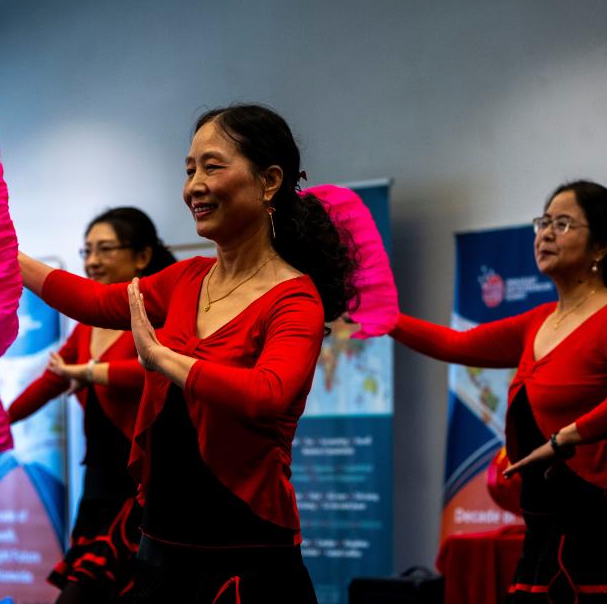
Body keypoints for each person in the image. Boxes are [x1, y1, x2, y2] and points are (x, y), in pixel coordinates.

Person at [19, 104, 356, 603]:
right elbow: (93, 300)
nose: (193, 185)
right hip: (159, 555)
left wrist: (162, 360)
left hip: (243, 562)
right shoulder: (185, 278)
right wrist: (5, 253)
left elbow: (269, 393)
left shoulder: (294, 297)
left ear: (269, 181)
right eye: (189, 169)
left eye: (212, 166)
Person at [390, 180, 607, 602]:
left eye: (563, 224)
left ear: (600, 247)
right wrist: (385, 318)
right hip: (547, 523)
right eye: (544, 222)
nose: (546, 233)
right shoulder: (538, 320)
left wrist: (567, 438)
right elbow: (457, 344)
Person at [8, 207, 175, 603]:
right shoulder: (87, 325)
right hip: (97, 481)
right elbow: (52, 380)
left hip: (140, 483)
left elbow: (156, 369)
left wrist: (91, 372)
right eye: (86, 251)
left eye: (104, 249)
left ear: (141, 256)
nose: (92, 261)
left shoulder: (160, 315)